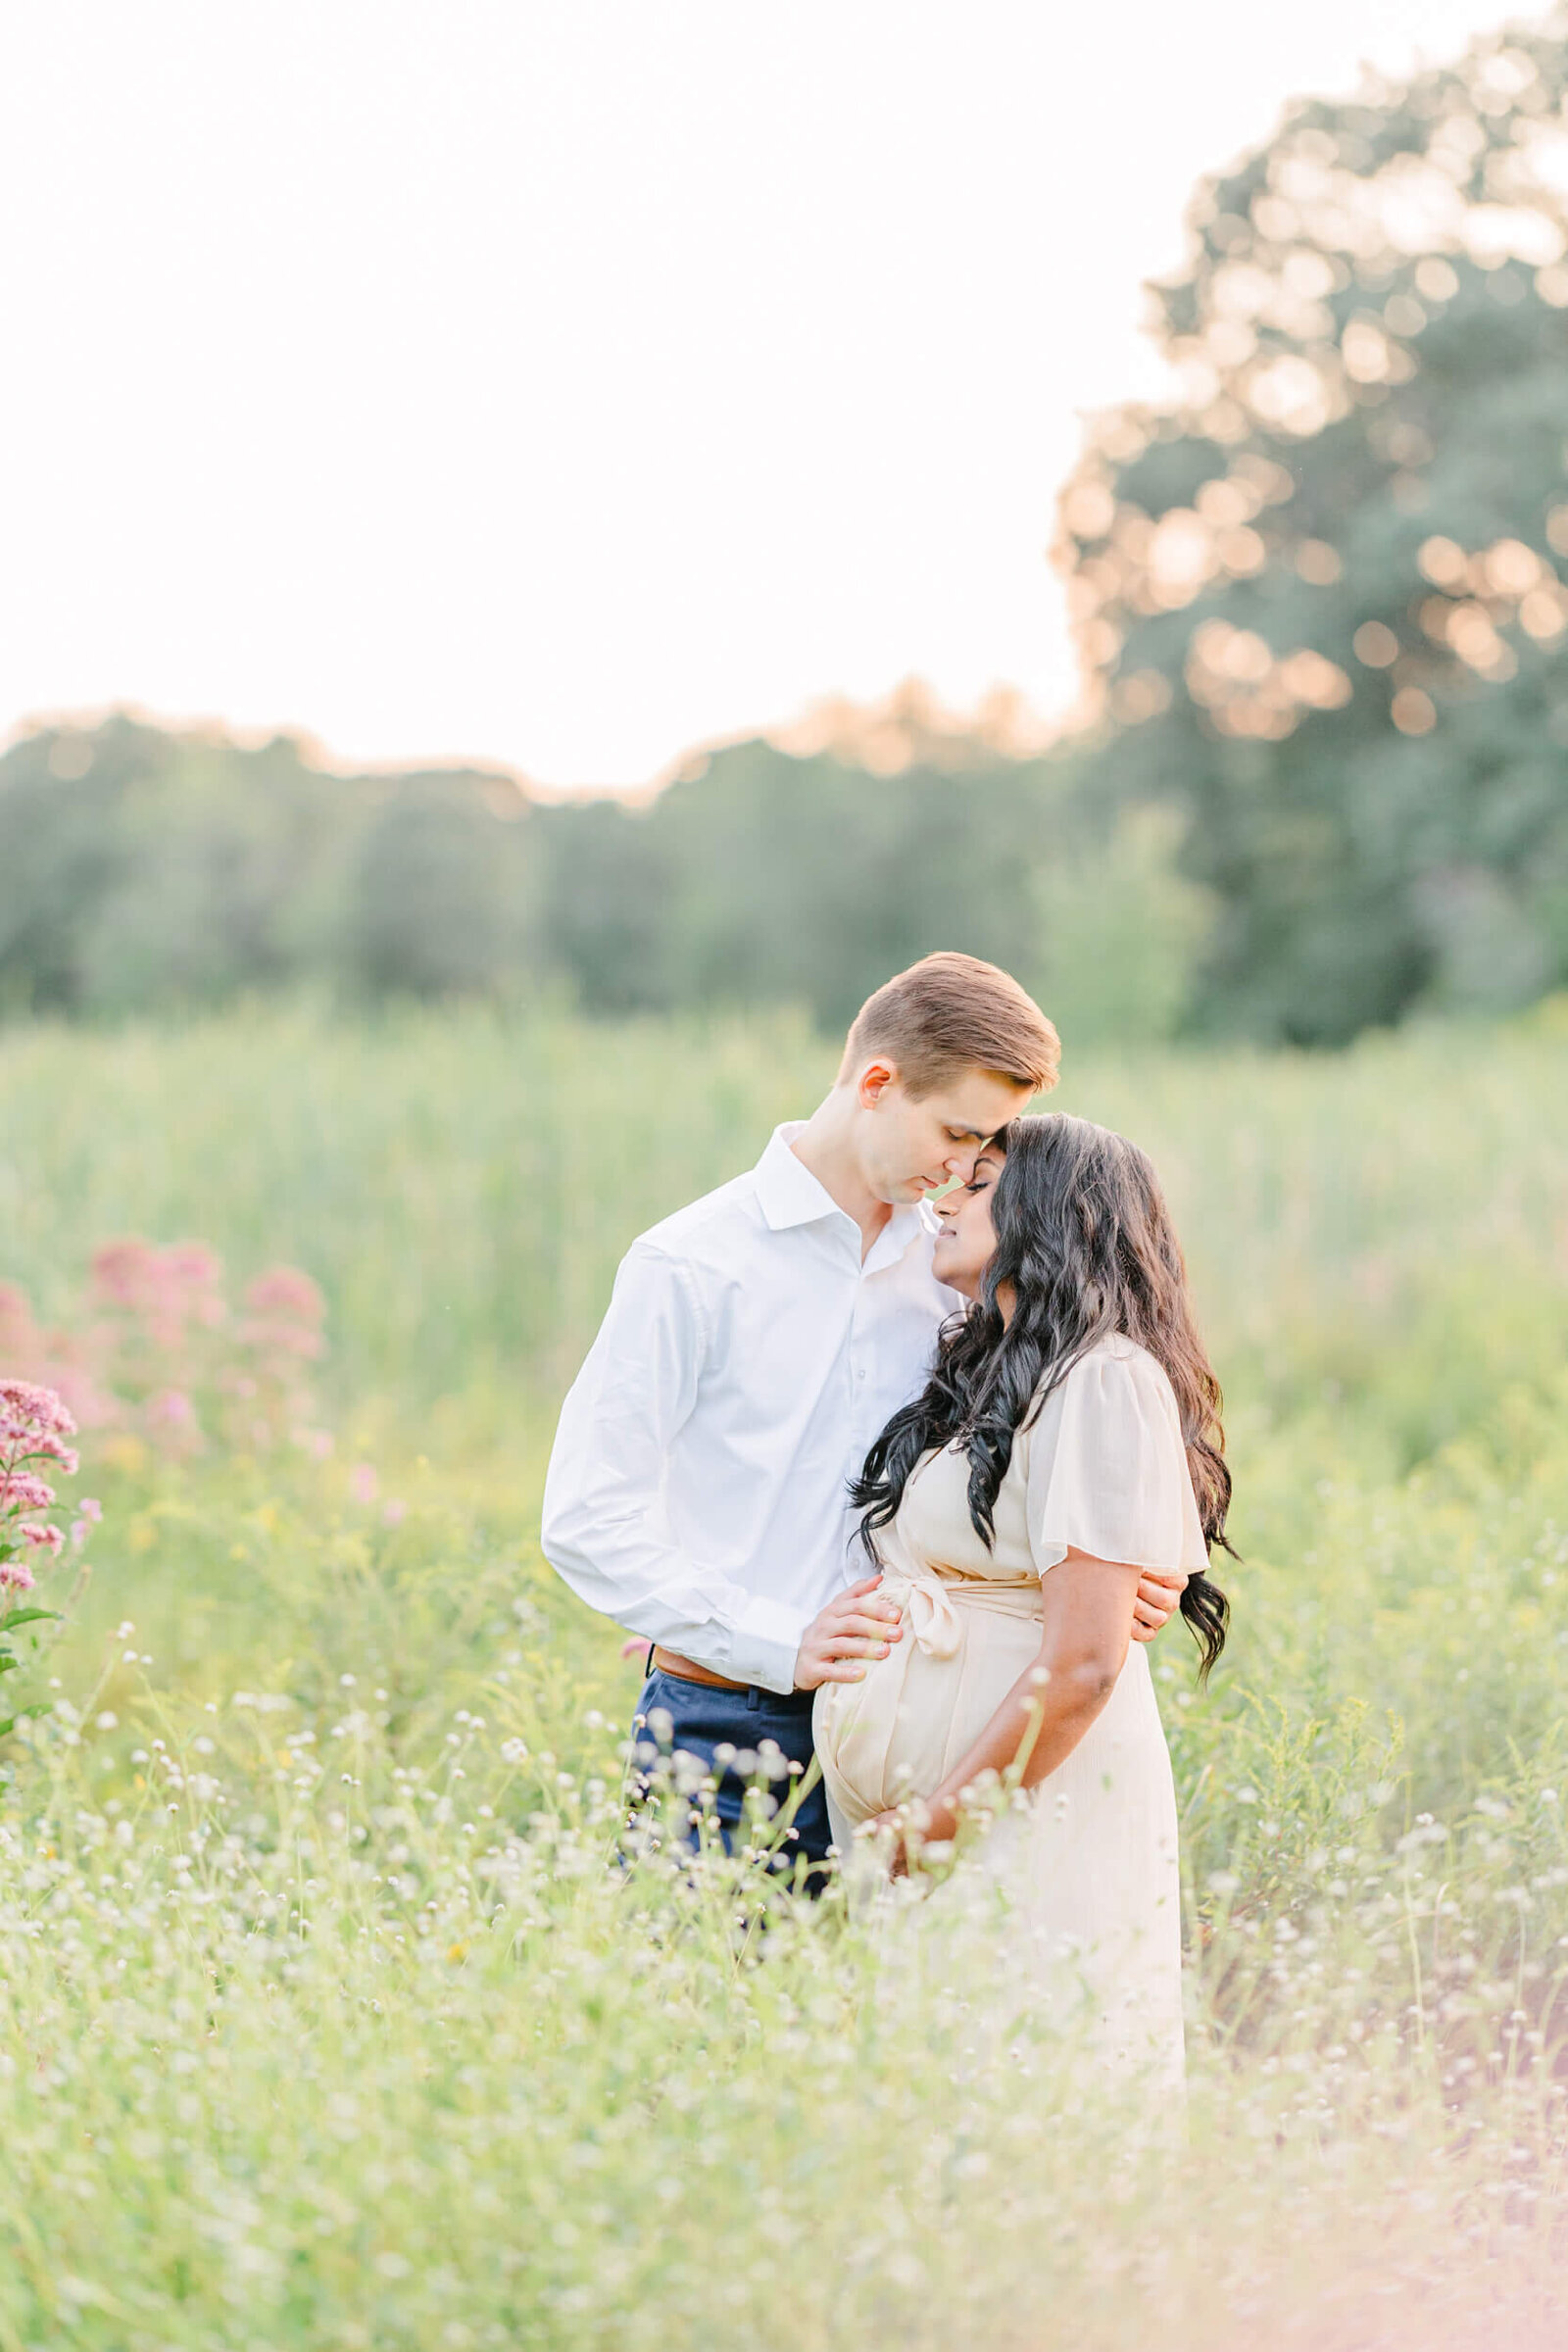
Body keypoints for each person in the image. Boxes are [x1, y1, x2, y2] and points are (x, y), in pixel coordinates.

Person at [541, 954, 1190, 1883]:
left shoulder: (961, 1275)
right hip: (732, 1728)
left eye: (987, 1149)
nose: (967, 1169)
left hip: (929, 1750)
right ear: (878, 1084)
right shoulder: (691, 1264)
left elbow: (1048, 1460)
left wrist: (1123, 1569)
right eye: (958, 1134)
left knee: (884, 2027)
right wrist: (773, 1641)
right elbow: (586, 1520)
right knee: (696, 2018)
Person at [813, 1113, 1231, 2077]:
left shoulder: (1102, 1379)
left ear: (1051, 1209)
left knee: (1027, 2084)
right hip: (933, 1832)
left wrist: (934, 1825)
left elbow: (1084, 1661)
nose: (942, 1199)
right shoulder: (981, 1374)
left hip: (1011, 1816)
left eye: (977, 1180)